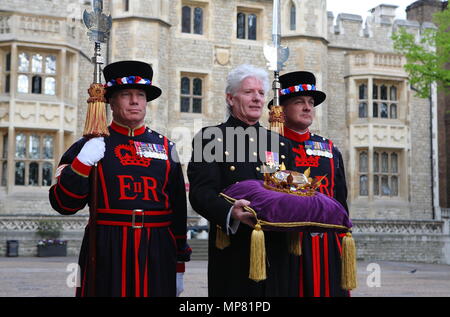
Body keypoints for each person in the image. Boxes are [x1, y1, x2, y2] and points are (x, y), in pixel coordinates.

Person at [49, 60, 191, 297]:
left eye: (140, 95)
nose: (135, 101)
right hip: (107, 246)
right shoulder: (89, 145)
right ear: (111, 102)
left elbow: (178, 210)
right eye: (126, 94)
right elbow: (63, 204)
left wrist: (179, 264)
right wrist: (81, 164)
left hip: (156, 249)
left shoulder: (167, 147)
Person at [187, 64, 294, 297]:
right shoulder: (210, 138)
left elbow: (291, 189)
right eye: (248, 92)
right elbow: (200, 192)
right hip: (234, 252)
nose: (257, 98)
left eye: (261, 93)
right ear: (230, 98)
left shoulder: (281, 144)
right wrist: (230, 212)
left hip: (277, 253)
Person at [269, 71, 349, 297]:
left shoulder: (329, 149)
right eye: (299, 102)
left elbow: (341, 199)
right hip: (287, 244)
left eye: (311, 103)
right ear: (281, 109)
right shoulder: (269, 147)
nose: (307, 108)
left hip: (327, 246)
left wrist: (343, 240)